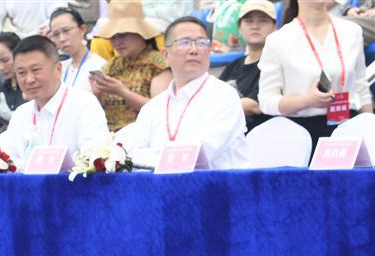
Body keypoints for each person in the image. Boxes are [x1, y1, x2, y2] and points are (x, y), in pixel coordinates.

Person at [119, 16, 250, 169]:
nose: (194, 50)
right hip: (161, 182)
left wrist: (146, 156)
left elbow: (200, 154)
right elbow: (130, 153)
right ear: (165, 55)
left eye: (201, 43)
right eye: (185, 42)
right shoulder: (153, 107)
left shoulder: (223, 96)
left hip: (219, 183)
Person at [258, 0, 373, 146]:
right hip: (303, 134)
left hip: (349, 126)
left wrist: (370, 133)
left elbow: (361, 89)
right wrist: (306, 101)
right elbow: (267, 101)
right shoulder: (278, 40)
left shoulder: (351, 31)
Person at [0, 35, 110, 166]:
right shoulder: (21, 114)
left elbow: (95, 157)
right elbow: (7, 161)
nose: (29, 79)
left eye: (36, 70)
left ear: (58, 69)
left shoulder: (84, 103)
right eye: (21, 73)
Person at [0, 0, 61, 125]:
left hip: (36, 39)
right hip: (6, 36)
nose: (1, 67)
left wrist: (6, 114)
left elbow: (57, 15)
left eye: (5, 61)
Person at [89, 0, 171, 131]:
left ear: (139, 33)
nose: (117, 42)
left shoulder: (158, 64)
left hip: (145, 136)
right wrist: (97, 94)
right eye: (113, 37)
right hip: (110, 137)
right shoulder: (111, 66)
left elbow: (162, 111)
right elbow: (96, 114)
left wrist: (123, 92)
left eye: (123, 35)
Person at [218, 0, 276, 132]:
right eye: (248, 21)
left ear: (274, 26)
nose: (255, 26)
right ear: (239, 27)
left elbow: (252, 106)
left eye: (262, 21)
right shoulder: (233, 66)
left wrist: (217, 106)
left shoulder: (275, 65)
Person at [50, 6, 105, 94]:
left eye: (66, 30)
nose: (62, 39)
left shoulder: (99, 66)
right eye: (56, 34)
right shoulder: (59, 68)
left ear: (82, 30)